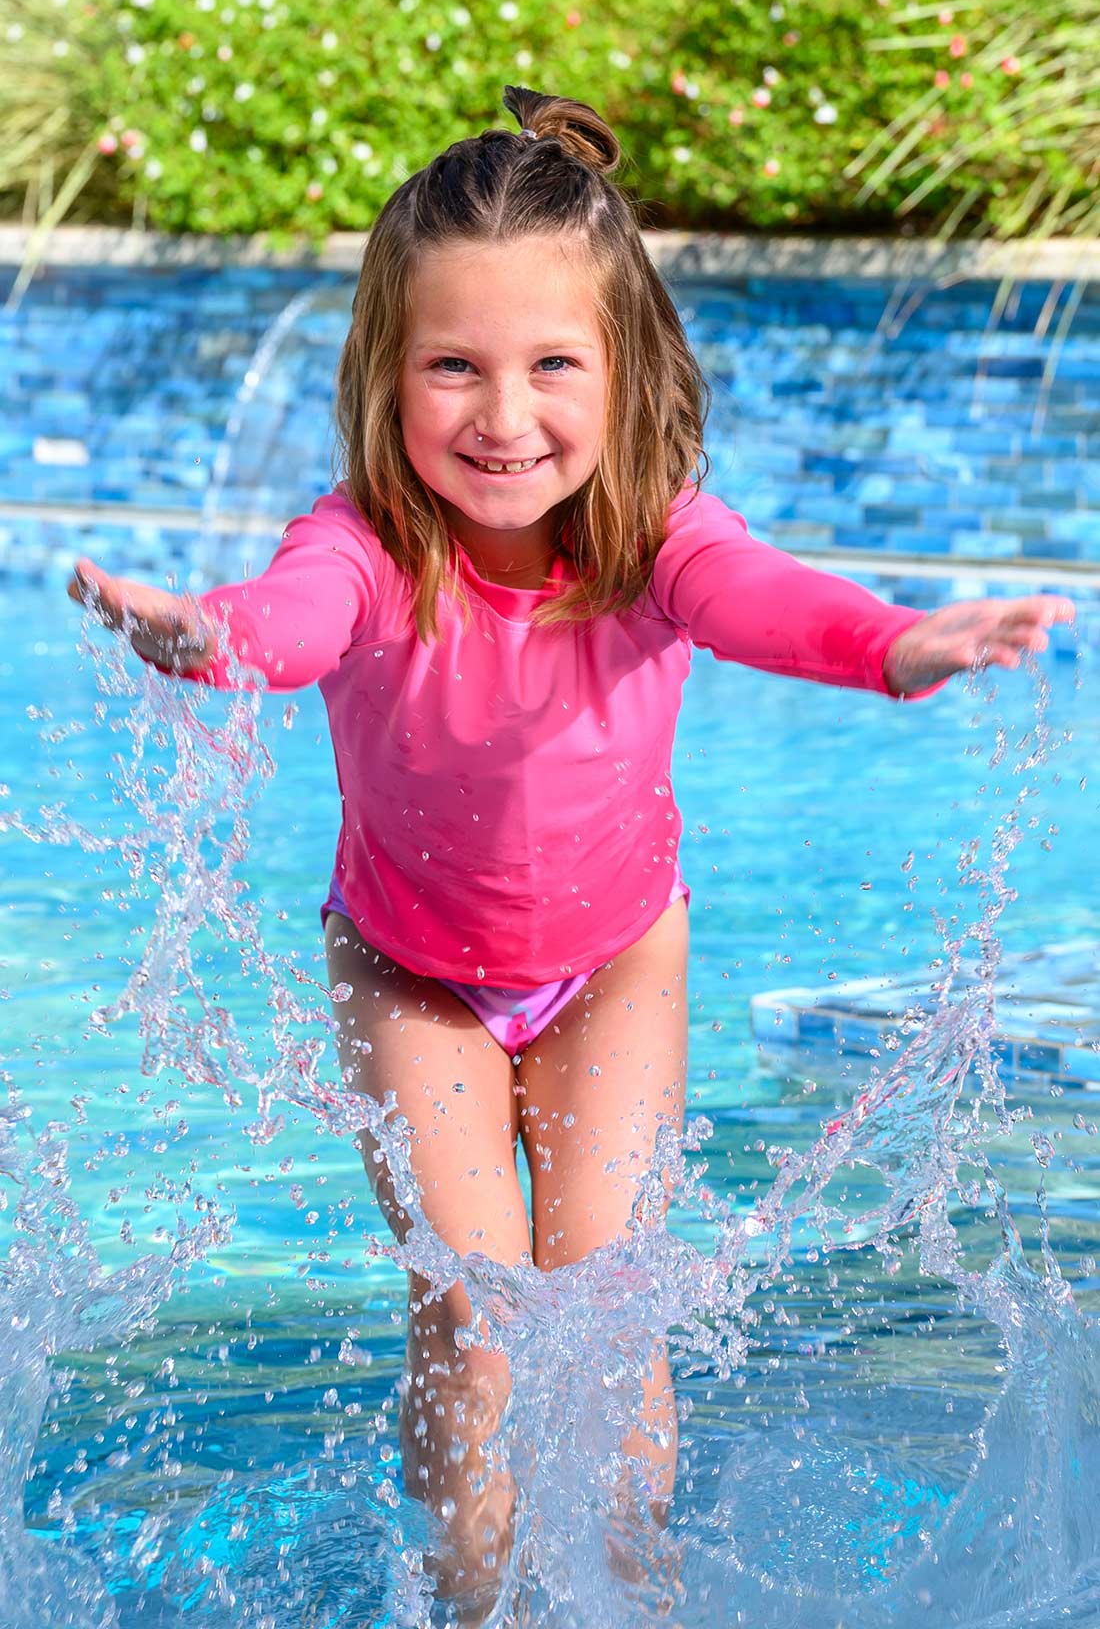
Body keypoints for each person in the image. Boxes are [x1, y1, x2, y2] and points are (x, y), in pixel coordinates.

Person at [69, 86, 1075, 1622]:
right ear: (385, 379)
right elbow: (287, 624)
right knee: (474, 1319)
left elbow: (762, 601)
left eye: (552, 366)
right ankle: (470, 1608)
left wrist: (895, 645)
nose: (503, 414)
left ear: (626, 374)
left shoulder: (658, 539)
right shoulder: (363, 547)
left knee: (606, 1320)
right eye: (451, 368)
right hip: (412, 976)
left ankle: (626, 1596)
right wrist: (205, 640)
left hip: (613, 966)